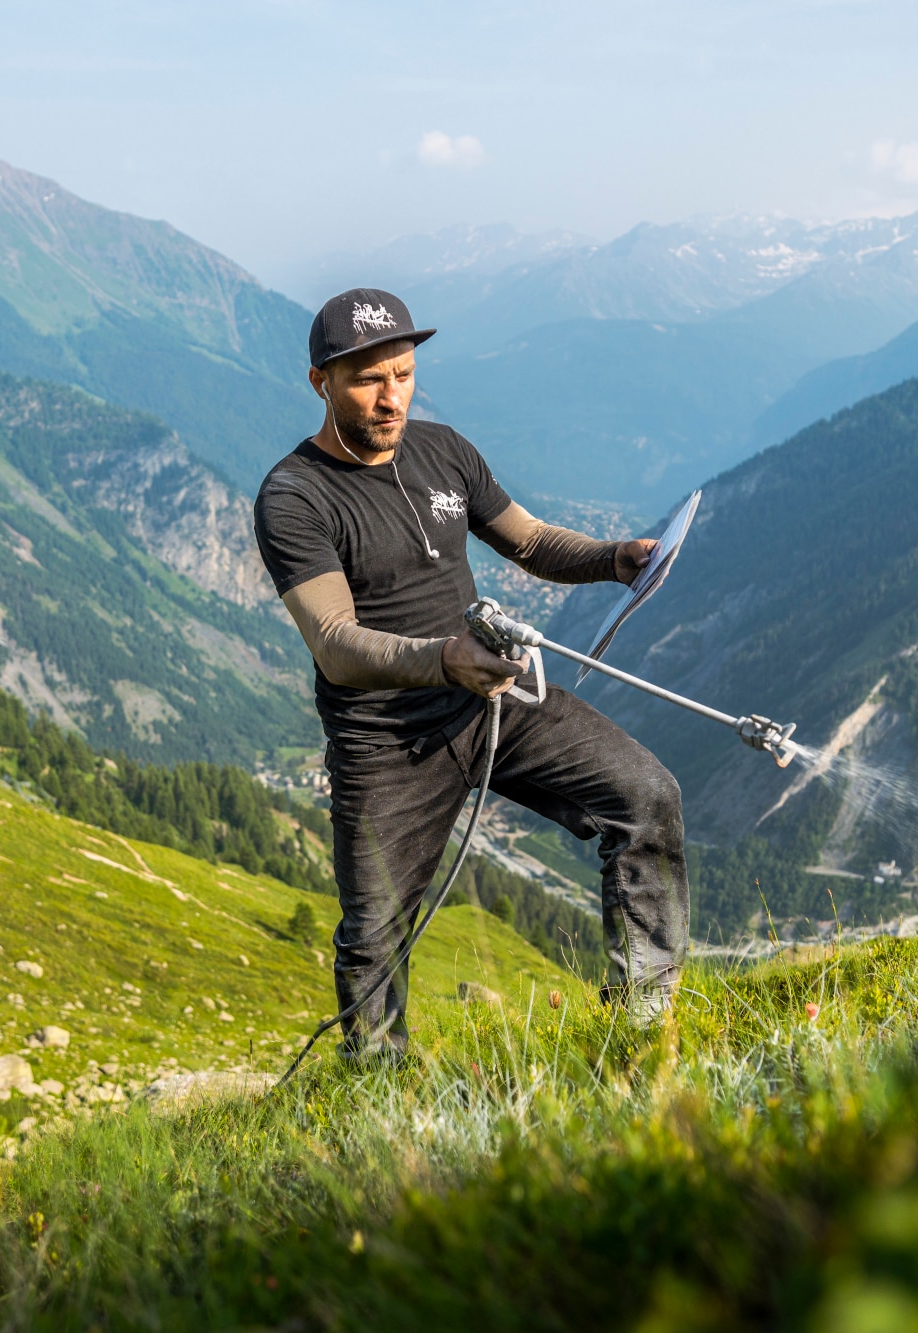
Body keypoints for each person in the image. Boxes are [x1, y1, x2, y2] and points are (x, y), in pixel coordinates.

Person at [252, 288, 690, 1060]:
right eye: (368, 380)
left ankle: (646, 1023)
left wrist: (613, 559)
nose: (392, 397)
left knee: (646, 795)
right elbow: (334, 642)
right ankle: (380, 1095)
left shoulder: (444, 449)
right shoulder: (295, 496)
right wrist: (442, 659)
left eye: (404, 373)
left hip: (490, 703)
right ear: (320, 381)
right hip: (387, 743)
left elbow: (529, 541)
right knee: (374, 938)